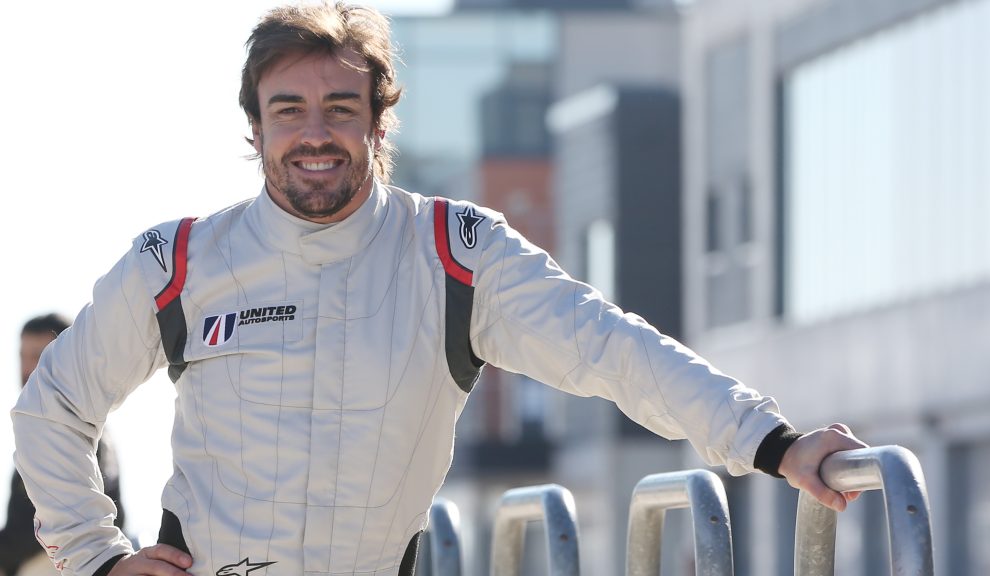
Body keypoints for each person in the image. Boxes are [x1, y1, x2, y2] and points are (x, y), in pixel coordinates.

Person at [12, 3, 866, 575]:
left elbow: (614, 350)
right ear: (255, 123)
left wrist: (770, 441)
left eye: (341, 108)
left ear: (381, 119)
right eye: (289, 110)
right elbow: (50, 406)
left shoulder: (456, 254)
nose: (316, 135)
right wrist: (98, 555)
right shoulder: (179, 263)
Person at [2, 315, 125, 576]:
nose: (26, 369)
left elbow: (43, 523)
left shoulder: (74, 433)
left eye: (37, 356)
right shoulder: (39, 433)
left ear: (63, 360)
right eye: (22, 356)